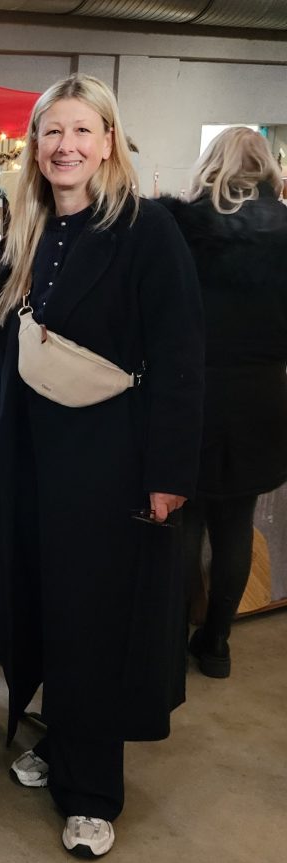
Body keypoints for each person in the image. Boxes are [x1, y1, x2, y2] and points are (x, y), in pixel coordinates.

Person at [0, 74, 205, 859]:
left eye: (81, 131)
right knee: (40, 604)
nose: (65, 147)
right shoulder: (28, 230)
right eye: (51, 133)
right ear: (35, 147)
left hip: (109, 464)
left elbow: (178, 360)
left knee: (96, 621)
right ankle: (59, 740)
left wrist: (169, 471)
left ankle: (94, 790)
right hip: (31, 461)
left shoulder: (147, 231)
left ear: (108, 141)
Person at [157, 128, 287, 678]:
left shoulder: (179, 227)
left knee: (184, 520)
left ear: (208, 164)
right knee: (237, 523)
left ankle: (169, 645)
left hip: (193, 388)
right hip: (263, 394)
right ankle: (216, 646)